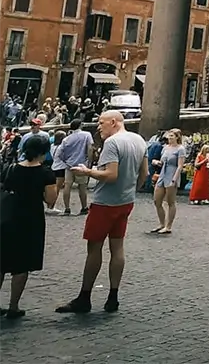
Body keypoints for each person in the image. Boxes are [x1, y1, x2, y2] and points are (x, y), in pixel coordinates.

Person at [56, 110, 148, 314]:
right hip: (126, 202)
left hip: (105, 202)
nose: (98, 127)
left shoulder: (113, 143)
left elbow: (111, 174)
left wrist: (87, 172)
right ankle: (113, 297)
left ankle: (84, 296)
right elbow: (144, 173)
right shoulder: (139, 140)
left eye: (101, 123)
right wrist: (132, 190)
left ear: (114, 122)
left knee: (94, 249)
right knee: (117, 248)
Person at [0, 132, 59, 317]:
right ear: (43, 152)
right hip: (30, 219)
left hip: (7, 217)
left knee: (1, 262)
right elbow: (50, 200)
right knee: (21, 264)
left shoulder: (10, 168)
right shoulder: (45, 173)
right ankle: (13, 306)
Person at [151, 129, 184, 235]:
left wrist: (175, 179)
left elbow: (180, 166)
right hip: (162, 174)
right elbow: (162, 162)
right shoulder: (165, 148)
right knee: (157, 200)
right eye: (168, 136)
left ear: (177, 137)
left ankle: (168, 226)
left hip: (172, 173)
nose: (169, 138)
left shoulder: (180, 149)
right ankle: (161, 223)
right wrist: (157, 162)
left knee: (170, 202)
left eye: (171, 136)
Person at [57, 120, 93, 215]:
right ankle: (84, 207)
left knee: (67, 185)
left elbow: (60, 153)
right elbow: (89, 148)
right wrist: (89, 162)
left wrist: (66, 161)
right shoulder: (87, 135)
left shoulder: (66, 139)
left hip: (69, 165)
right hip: (82, 164)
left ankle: (67, 208)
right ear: (80, 125)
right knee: (82, 186)